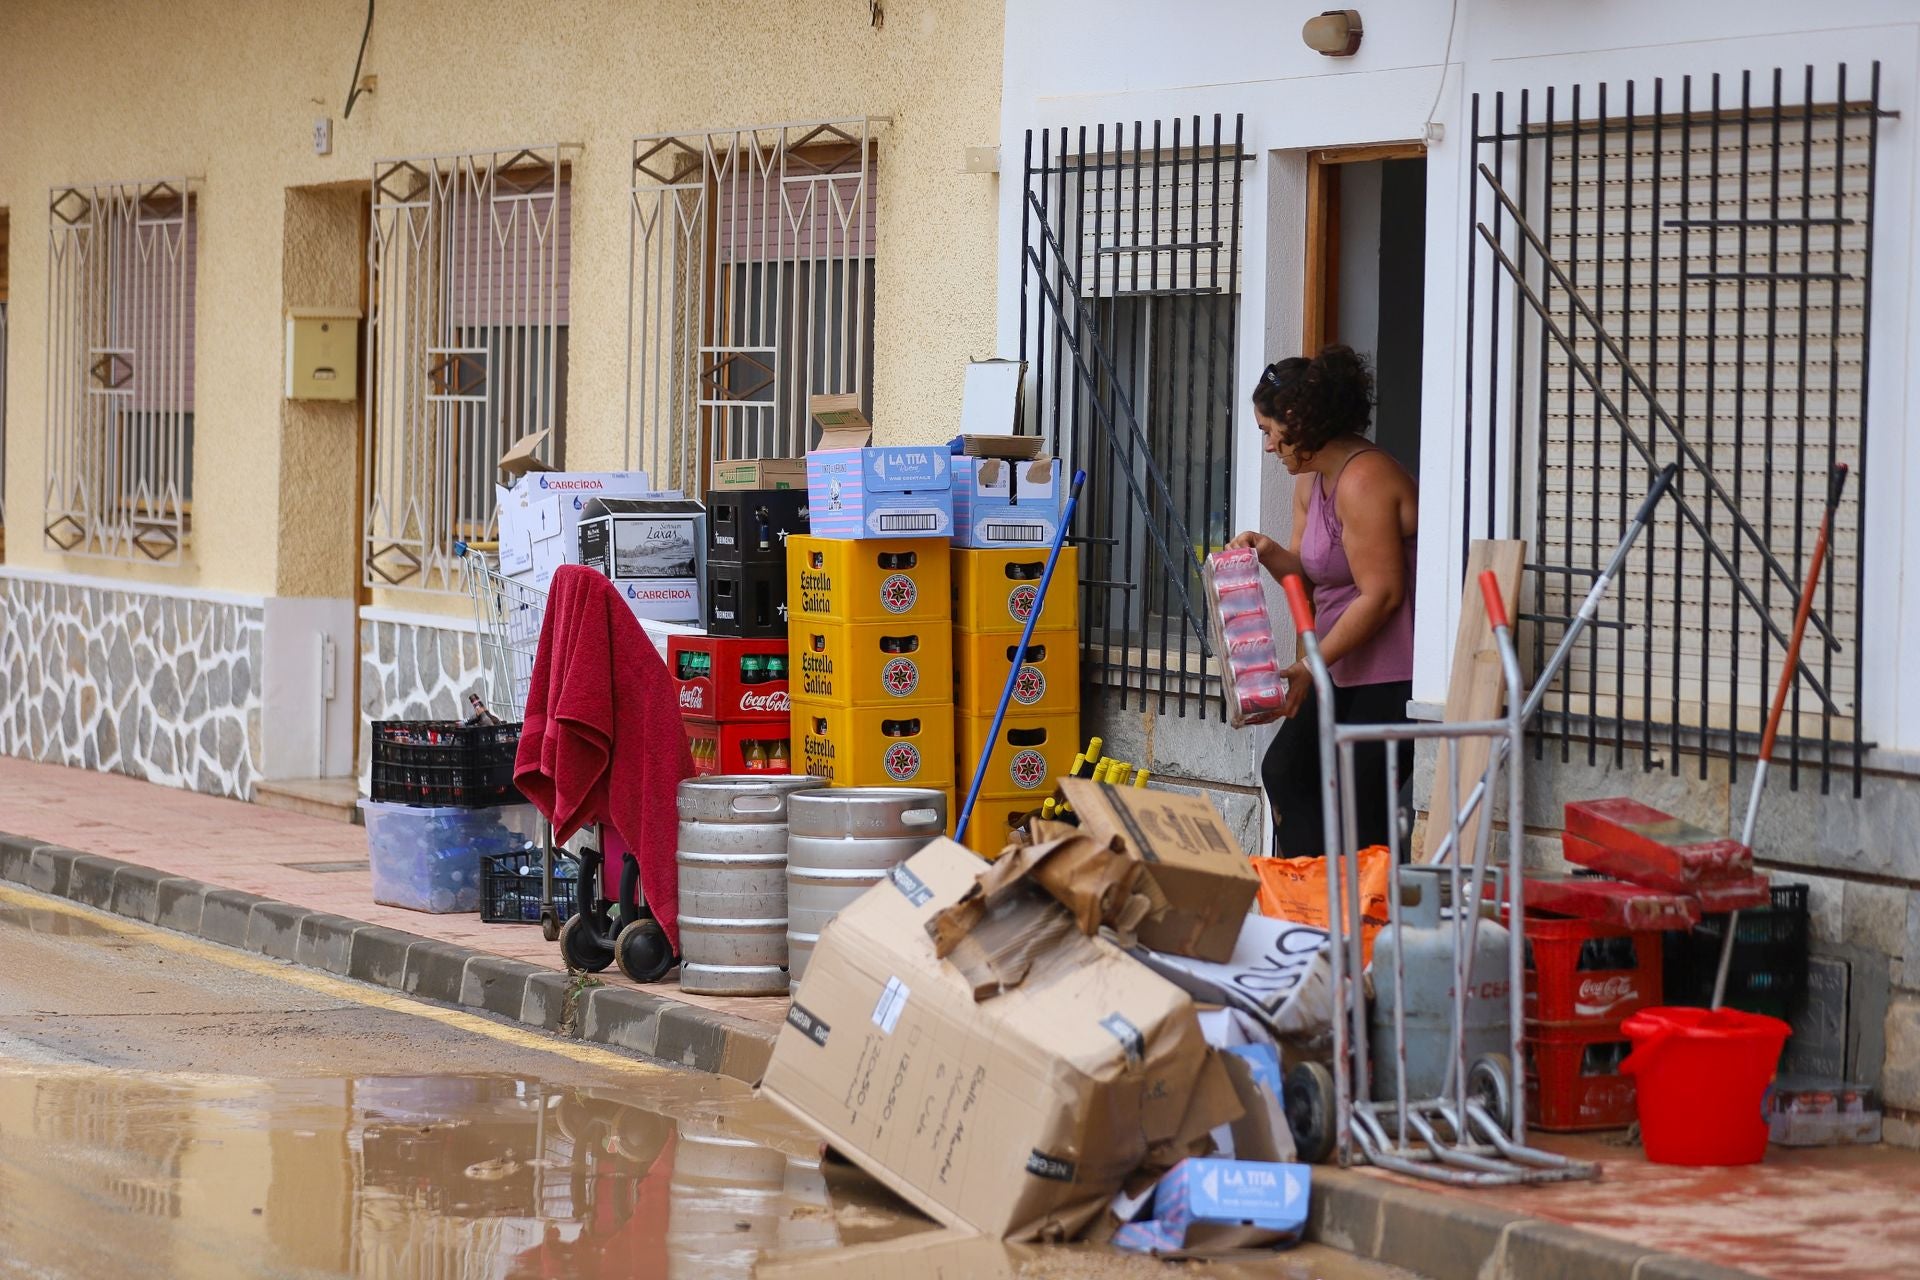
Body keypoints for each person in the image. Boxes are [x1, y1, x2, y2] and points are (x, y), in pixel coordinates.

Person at [1230, 345, 1417, 856]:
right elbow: (1310, 568)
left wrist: (1310, 664)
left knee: (1358, 806)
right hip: (1339, 663)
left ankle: (1358, 917)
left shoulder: (1365, 480)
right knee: (1287, 772)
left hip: (1390, 674)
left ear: (1298, 422)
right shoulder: (1312, 482)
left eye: (1268, 431)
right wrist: (1267, 552)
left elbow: (1382, 595)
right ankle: (1310, 904)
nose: (1268, 447)